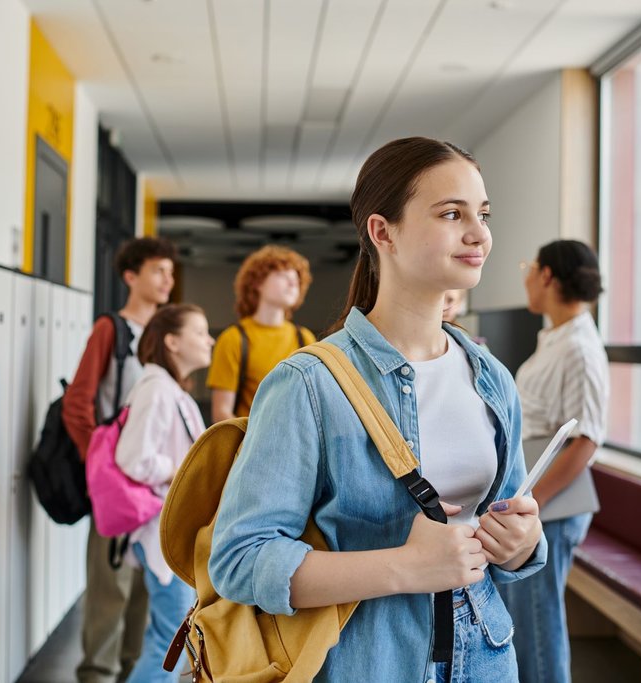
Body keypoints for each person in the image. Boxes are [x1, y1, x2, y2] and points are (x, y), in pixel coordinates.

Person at [208, 137, 547, 681]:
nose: (479, 234)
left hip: (485, 655)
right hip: (366, 662)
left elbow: (507, 527)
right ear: (382, 231)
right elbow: (240, 559)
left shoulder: (492, 378)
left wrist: (522, 542)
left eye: (481, 214)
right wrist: (404, 568)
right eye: (451, 213)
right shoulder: (308, 384)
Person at [63, 237, 177, 683]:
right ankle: (97, 675)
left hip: (153, 487)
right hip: (117, 486)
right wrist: (102, 470)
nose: (167, 279)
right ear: (131, 277)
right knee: (111, 592)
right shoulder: (111, 330)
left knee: (147, 591)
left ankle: (133, 674)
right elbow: (78, 403)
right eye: (157, 271)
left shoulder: (164, 336)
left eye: (170, 271)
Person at [496, 239, 609, 683]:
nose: (525, 277)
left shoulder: (580, 347)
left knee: (540, 626)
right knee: (527, 620)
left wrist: (532, 501)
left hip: (552, 506)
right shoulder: (557, 339)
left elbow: (585, 441)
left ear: (547, 276)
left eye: (530, 267)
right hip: (538, 500)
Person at [115, 304, 212, 682]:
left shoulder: (167, 389)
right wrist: (182, 472)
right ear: (172, 342)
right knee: (167, 641)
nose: (210, 340)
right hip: (159, 534)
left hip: (166, 532)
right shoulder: (156, 389)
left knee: (168, 636)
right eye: (200, 332)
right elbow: (133, 459)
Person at [207, 245, 316, 422]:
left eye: (296, 279)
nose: (292, 283)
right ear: (257, 282)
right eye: (283, 275)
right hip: (249, 444)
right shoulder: (233, 338)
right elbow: (221, 414)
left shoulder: (305, 338)